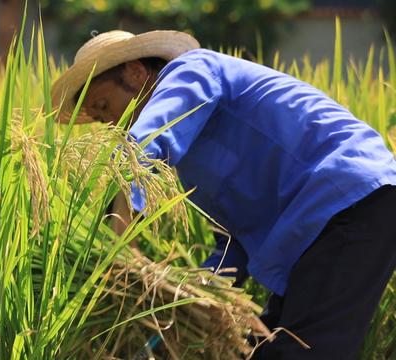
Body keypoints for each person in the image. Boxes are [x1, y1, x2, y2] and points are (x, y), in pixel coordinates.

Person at [51, 30, 396, 359]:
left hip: (350, 196)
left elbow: (140, 150)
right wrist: (193, 293)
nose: (113, 124)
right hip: (316, 224)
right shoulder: (192, 161)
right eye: (100, 119)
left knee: (306, 351)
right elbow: (233, 242)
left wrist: (123, 234)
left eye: (104, 105)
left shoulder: (192, 71)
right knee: (256, 349)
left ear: (137, 72)